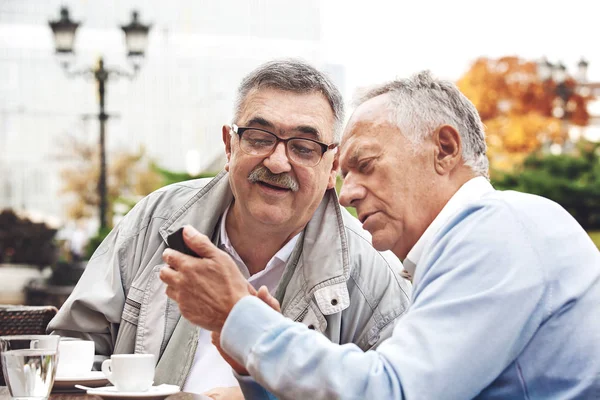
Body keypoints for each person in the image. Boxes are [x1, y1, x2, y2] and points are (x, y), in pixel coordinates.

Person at [160, 71, 600, 399]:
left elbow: (391, 390)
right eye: (344, 173)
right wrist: (253, 369)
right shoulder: (484, 236)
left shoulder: (497, 230)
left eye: (365, 165)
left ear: (444, 150)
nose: (346, 193)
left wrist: (239, 317)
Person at [48, 59, 411, 397]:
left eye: (303, 147)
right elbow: (72, 351)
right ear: (229, 145)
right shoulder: (156, 221)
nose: (277, 161)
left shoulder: (373, 275)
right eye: (259, 137)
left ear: (333, 168)